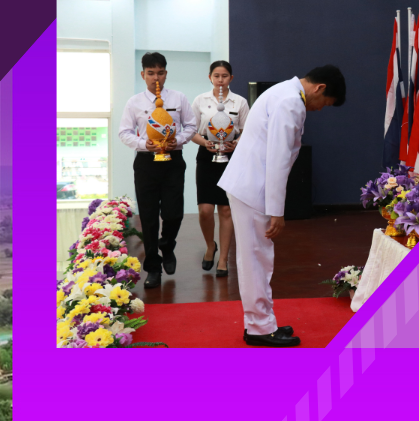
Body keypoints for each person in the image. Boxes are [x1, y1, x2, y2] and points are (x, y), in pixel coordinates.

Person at [219, 65, 346, 347]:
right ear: (320, 88)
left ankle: (262, 321)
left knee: (257, 257)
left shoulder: (284, 91)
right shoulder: (290, 102)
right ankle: (259, 327)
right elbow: (277, 158)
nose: (320, 109)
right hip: (254, 187)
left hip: (249, 184)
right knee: (256, 259)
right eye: (324, 103)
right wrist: (277, 211)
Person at [118, 52, 198, 289]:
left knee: (174, 214)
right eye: (151, 73)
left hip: (173, 161)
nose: (156, 78)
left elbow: (191, 126)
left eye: (160, 73)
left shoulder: (179, 98)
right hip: (146, 163)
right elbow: (124, 132)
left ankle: (167, 244)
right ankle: (153, 267)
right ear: (143, 75)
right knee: (149, 217)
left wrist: (178, 140)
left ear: (166, 74)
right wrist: (144, 144)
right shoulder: (134, 102)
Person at [189, 60, 249, 278]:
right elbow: (191, 130)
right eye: (216, 76)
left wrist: (236, 144)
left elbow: (247, 130)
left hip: (231, 156)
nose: (220, 80)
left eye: (224, 76)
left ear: (231, 78)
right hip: (207, 154)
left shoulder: (240, 102)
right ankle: (210, 246)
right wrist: (205, 143)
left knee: (225, 209)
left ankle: (223, 259)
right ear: (210, 78)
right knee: (205, 210)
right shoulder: (200, 100)